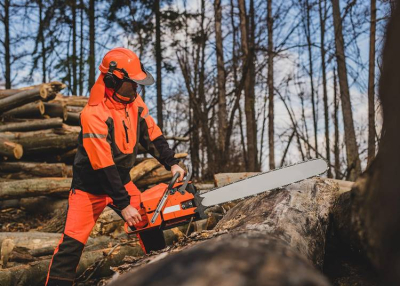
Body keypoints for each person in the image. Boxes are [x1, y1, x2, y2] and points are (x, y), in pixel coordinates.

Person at [45, 47, 185, 286]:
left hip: (120, 179)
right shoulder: (94, 114)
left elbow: (151, 133)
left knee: (147, 223)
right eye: (131, 84)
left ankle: (160, 277)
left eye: (136, 83)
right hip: (90, 186)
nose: (136, 88)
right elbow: (103, 164)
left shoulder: (133, 102)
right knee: (71, 245)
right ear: (112, 80)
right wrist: (123, 203)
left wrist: (171, 162)